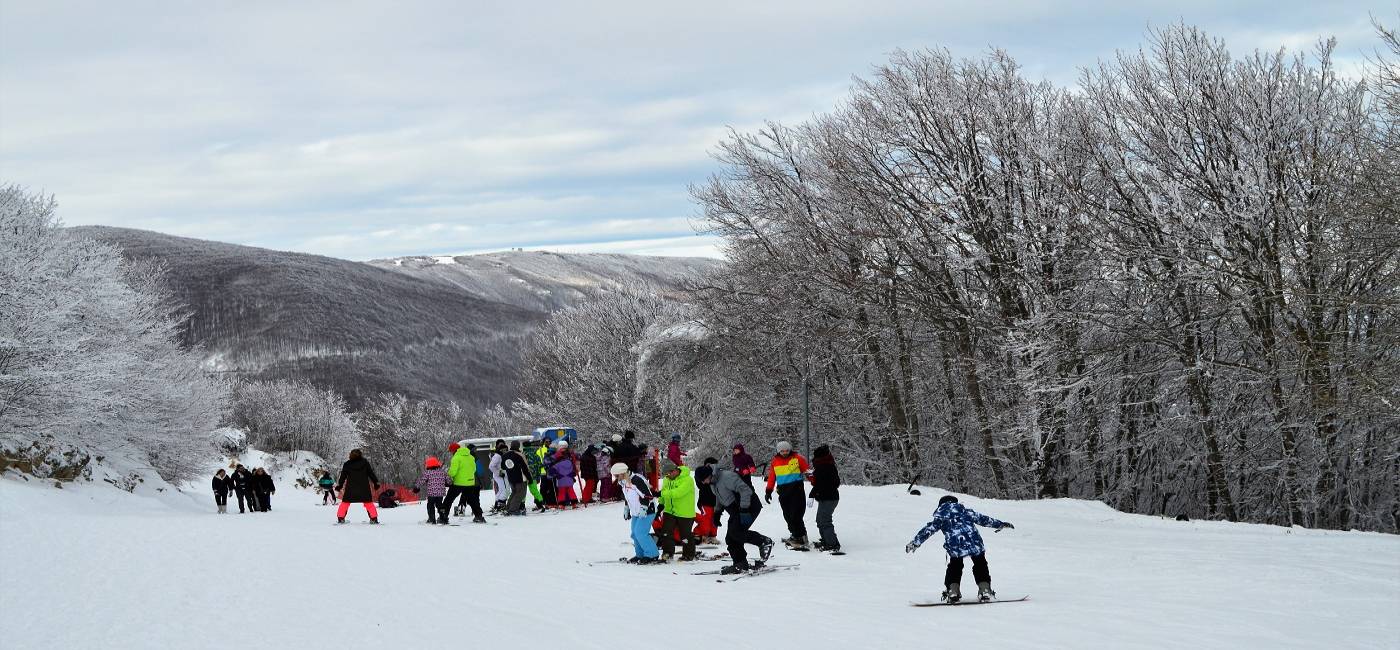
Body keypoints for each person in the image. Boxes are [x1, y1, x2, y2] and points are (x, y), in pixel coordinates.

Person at [905, 495, 1014, 603]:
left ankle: (953, 591)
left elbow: (928, 530)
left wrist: (915, 542)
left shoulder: (941, 517)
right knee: (980, 564)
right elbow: (983, 519)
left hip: (955, 546)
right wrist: (1000, 524)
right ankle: (985, 590)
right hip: (974, 543)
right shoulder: (966, 511)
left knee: (955, 567)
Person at [698, 464, 773, 575]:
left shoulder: (727, 477)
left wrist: (744, 509)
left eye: (703, 480)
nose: (704, 483)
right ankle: (740, 563)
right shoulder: (713, 482)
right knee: (731, 537)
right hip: (736, 510)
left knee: (736, 533)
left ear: (709, 475)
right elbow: (719, 497)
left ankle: (764, 542)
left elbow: (745, 490)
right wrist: (717, 512)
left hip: (749, 506)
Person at [764, 441, 814, 550]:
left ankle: (800, 537)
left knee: (796, 515)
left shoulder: (798, 458)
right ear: (778, 451)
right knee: (787, 515)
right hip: (783, 491)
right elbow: (772, 476)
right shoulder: (775, 461)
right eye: (782, 451)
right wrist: (768, 491)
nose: (785, 452)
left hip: (797, 490)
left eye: (787, 450)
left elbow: (807, 471)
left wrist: (815, 482)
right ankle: (795, 535)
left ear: (790, 449)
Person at [611, 462, 660, 564]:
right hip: (636, 512)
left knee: (641, 533)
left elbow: (647, 496)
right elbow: (628, 496)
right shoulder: (623, 482)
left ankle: (652, 554)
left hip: (647, 511)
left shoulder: (636, 480)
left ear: (623, 473)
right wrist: (626, 508)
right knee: (634, 534)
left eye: (616, 475)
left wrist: (644, 508)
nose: (615, 478)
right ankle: (640, 554)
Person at [657, 460, 698, 561]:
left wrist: (661, 494)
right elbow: (664, 491)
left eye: (668, 474)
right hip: (669, 511)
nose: (667, 476)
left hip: (684, 512)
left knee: (685, 535)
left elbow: (677, 493)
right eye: (666, 474)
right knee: (666, 533)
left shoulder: (687, 480)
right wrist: (661, 504)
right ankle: (667, 553)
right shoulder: (667, 479)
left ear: (674, 471)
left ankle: (689, 554)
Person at [809, 445, 841, 552]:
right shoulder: (828, 465)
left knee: (824, 521)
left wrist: (812, 494)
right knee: (820, 520)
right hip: (829, 498)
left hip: (829, 499)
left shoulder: (824, 467)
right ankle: (826, 540)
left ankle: (832, 544)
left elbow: (820, 484)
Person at [335, 449, 381, 524]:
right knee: (368, 503)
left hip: (351, 488)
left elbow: (343, 476)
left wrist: (339, 485)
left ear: (350, 455)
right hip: (364, 487)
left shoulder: (347, 464)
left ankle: (340, 518)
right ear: (360, 454)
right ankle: (374, 519)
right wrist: (376, 483)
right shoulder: (365, 462)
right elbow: (371, 473)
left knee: (345, 503)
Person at [445, 439, 485, 523]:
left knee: (449, 499)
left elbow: (453, 472)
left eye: (451, 451)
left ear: (454, 451)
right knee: (472, 500)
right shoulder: (471, 457)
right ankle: (479, 516)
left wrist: (448, 476)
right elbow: (474, 469)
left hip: (458, 483)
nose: (451, 453)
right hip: (470, 483)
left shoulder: (456, 458)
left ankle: (443, 517)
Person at [693, 457, 720, 544]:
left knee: (715, 519)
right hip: (704, 502)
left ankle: (712, 536)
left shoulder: (717, 475)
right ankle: (699, 534)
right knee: (705, 520)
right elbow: (699, 483)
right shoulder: (701, 474)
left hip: (716, 502)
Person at [414, 456, 449, 524]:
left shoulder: (428, 472)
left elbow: (421, 481)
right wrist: (447, 483)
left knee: (430, 505)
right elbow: (449, 480)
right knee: (440, 505)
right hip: (440, 493)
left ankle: (432, 518)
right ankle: (443, 517)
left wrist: (416, 487)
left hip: (431, 493)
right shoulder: (442, 472)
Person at [501, 441, 532, 515]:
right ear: (518, 446)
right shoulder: (519, 455)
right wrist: (529, 478)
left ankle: (508, 508)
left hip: (511, 478)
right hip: (520, 478)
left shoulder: (505, 455)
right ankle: (513, 510)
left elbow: (503, 466)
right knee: (519, 494)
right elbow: (525, 468)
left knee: (514, 493)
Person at [551, 441, 579, 508]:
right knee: (571, 491)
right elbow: (573, 467)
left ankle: (561, 504)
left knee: (562, 492)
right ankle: (574, 503)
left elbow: (553, 469)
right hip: (569, 478)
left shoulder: (557, 461)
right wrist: (574, 473)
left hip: (561, 479)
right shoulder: (569, 459)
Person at [489, 439, 508, 513]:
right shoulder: (497, 455)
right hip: (500, 474)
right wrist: (498, 473)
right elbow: (491, 466)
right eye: (502, 449)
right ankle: (500, 505)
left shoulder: (501, 455)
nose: (504, 450)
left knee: (501, 490)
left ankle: (497, 505)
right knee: (506, 490)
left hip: (502, 474)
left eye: (505, 449)